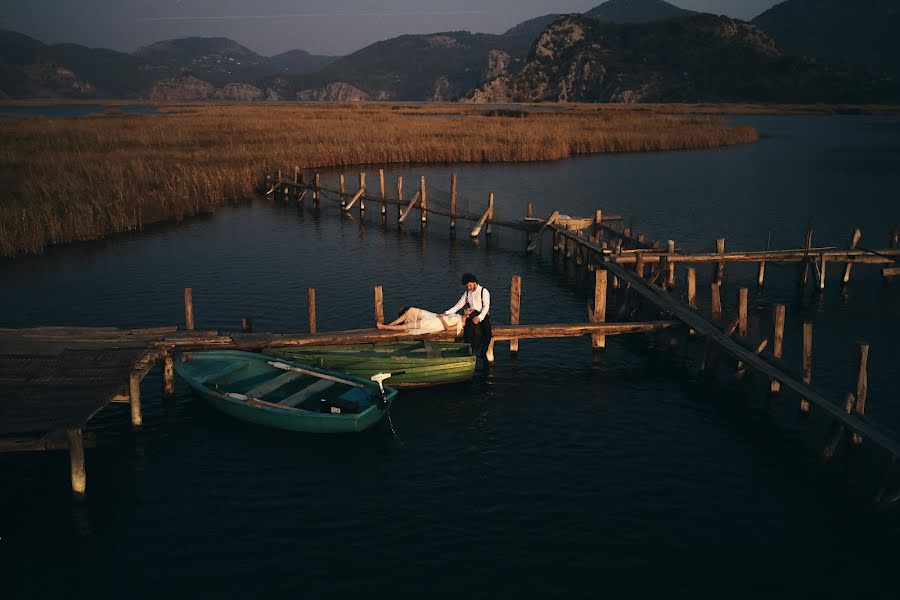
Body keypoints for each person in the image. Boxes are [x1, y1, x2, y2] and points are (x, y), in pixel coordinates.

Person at [445, 273, 492, 362]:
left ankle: (483, 352)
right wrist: (446, 313)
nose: (469, 288)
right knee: (468, 333)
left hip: (482, 315)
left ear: (475, 282)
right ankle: (471, 353)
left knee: (487, 333)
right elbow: (458, 306)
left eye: (470, 285)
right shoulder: (467, 293)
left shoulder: (484, 291)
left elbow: (486, 307)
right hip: (471, 315)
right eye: (467, 286)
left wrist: (479, 317)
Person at [376, 306, 463, 335]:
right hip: (434, 316)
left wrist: (441, 319)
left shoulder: (461, 324)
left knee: (409, 325)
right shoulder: (459, 316)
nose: (467, 309)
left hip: (435, 323)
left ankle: (385, 327)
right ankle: (391, 324)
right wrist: (443, 315)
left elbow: (448, 328)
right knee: (411, 310)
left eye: (469, 310)